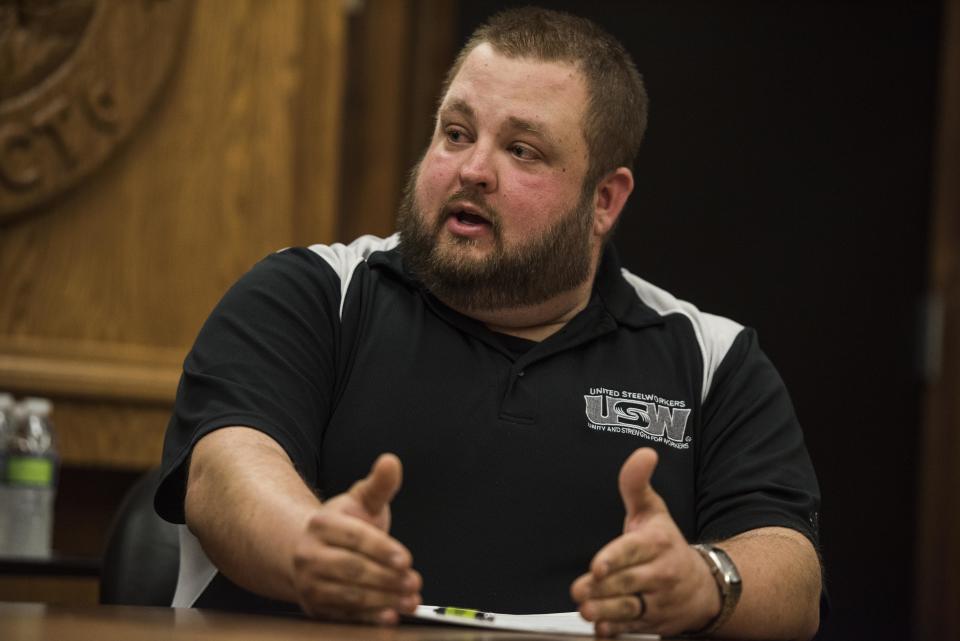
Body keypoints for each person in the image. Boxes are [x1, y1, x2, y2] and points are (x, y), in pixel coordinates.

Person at [155, 7, 822, 639]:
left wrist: (706, 582)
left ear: (605, 199)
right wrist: (310, 543)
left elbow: (791, 569)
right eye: (456, 133)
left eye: (523, 150)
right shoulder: (314, 293)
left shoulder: (712, 358)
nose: (472, 170)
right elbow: (224, 470)